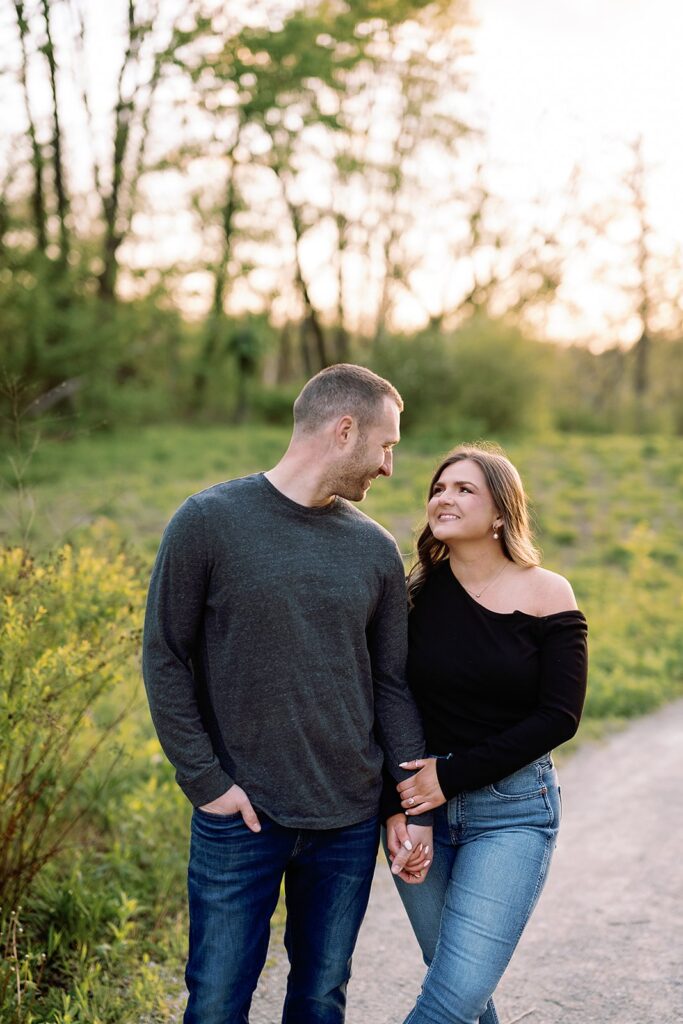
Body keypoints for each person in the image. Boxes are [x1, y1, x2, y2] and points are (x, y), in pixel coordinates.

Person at [142, 363, 432, 1024]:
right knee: (216, 1003)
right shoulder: (208, 522)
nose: (389, 466)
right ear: (344, 429)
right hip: (239, 816)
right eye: (385, 445)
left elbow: (390, 686)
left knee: (320, 1000)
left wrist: (402, 802)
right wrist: (207, 782)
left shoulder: (374, 549)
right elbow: (163, 656)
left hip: (347, 822)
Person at [384, 443, 588, 1024]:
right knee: (460, 987)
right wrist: (397, 809)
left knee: (450, 998)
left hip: (513, 810)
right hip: (419, 809)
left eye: (464, 489)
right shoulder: (413, 597)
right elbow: (389, 703)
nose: (444, 498)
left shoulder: (548, 593)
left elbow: (559, 717)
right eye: (438, 488)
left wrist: (449, 777)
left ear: (501, 511)